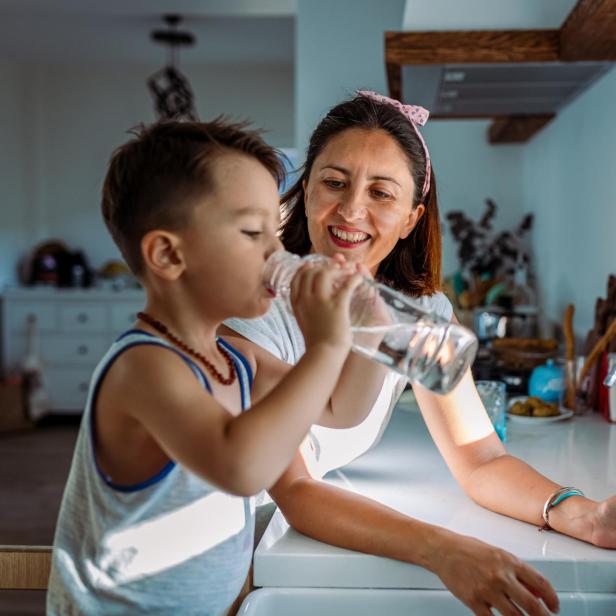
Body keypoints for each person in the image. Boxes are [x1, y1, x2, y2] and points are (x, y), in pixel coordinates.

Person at [222, 91, 616, 616]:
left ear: (411, 217)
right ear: (306, 190)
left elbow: (480, 458)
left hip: (288, 547)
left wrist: (581, 514)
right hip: (222, 551)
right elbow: (296, 490)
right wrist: (443, 549)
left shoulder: (419, 312)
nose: (351, 209)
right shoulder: (254, 312)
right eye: (334, 182)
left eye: (381, 192)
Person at [46, 119, 371, 616]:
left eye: (275, 232)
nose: (276, 254)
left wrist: (371, 331)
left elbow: (340, 408)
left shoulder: (233, 359)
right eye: (251, 232)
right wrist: (326, 346)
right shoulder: (144, 367)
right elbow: (241, 467)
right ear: (168, 254)